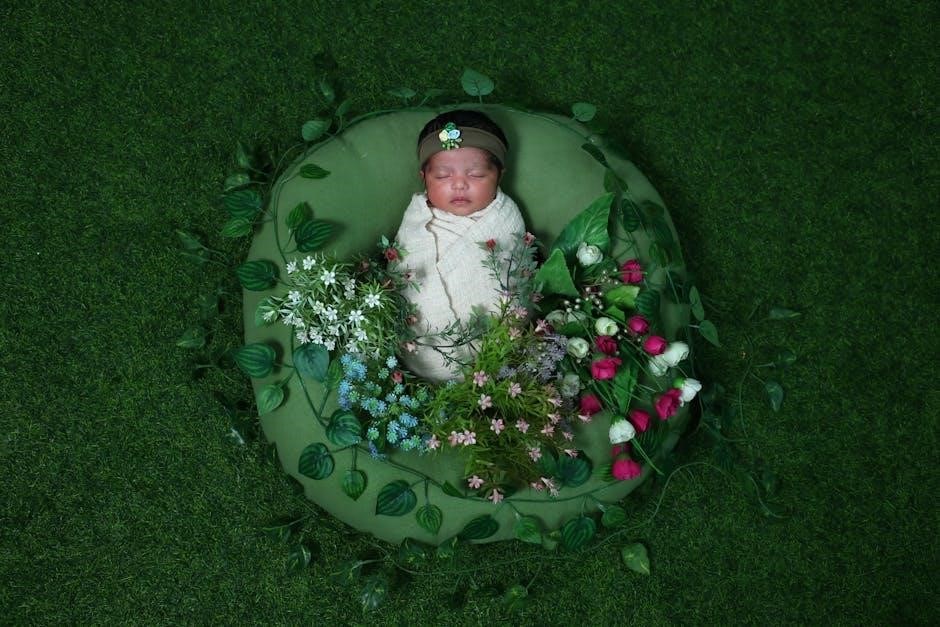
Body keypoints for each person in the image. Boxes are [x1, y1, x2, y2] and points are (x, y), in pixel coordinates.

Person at [395, 110, 526, 381]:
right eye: (442, 176)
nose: (459, 184)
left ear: (499, 175)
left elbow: (515, 279)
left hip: (494, 357)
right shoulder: (416, 221)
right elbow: (403, 273)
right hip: (423, 348)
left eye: (476, 175)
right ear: (424, 177)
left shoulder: (504, 219)